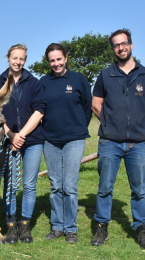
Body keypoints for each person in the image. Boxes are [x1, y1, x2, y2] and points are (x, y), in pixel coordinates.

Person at [91, 28, 145, 249]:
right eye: (116, 45)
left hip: (139, 143)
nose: (120, 48)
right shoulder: (105, 75)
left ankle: (141, 227)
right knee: (105, 187)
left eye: (124, 43)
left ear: (131, 45)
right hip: (109, 142)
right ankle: (101, 227)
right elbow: (96, 104)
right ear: (113, 49)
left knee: (140, 189)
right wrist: (110, 125)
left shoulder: (144, 74)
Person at [0, 43, 46, 244]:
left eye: (21, 58)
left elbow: (39, 111)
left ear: (25, 60)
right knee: (10, 184)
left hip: (32, 141)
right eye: (15, 58)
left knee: (29, 185)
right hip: (7, 141)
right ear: (8, 58)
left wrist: (20, 135)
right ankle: (11, 224)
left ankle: (25, 225)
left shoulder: (34, 83)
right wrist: (11, 135)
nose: (18, 61)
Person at [40, 43, 92, 244]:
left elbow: (87, 107)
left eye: (59, 59)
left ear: (66, 58)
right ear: (49, 62)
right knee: (55, 185)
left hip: (74, 139)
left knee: (70, 185)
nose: (56, 63)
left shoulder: (78, 79)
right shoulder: (43, 82)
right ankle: (57, 226)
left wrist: (78, 128)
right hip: (51, 140)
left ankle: (71, 228)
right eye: (52, 60)